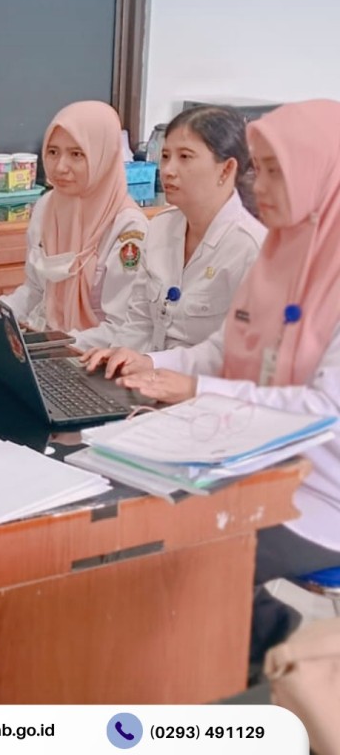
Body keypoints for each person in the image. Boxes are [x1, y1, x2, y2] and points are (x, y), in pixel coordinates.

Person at [108, 101, 340, 663]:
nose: (259, 185)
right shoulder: (281, 252)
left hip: (320, 491)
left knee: (185, 554)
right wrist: (155, 368)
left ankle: (265, 664)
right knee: (129, 517)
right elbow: (221, 350)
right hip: (245, 457)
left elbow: (324, 407)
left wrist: (197, 392)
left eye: (277, 171)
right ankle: (258, 650)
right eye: (260, 169)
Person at [79, 104, 266, 360]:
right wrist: (116, 361)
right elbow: (139, 322)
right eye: (165, 156)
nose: (167, 170)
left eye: (185, 157)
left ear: (226, 169)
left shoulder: (251, 247)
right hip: (145, 376)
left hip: (195, 383)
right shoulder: (161, 226)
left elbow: (238, 357)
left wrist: (151, 365)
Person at [1, 100, 148, 341]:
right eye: (53, 152)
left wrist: (56, 347)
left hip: (94, 353)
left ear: (103, 156)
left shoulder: (128, 228)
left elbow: (122, 328)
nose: (60, 167)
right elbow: (34, 291)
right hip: (48, 341)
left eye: (76, 154)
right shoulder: (46, 206)